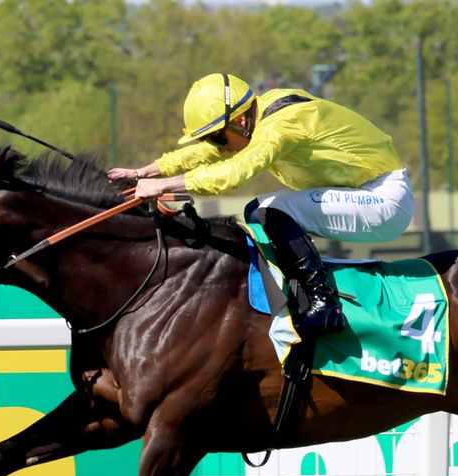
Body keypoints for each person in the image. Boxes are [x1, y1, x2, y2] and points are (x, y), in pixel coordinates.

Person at [108, 73, 413, 334]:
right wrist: (144, 172)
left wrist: (161, 186)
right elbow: (206, 155)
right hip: (364, 191)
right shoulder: (260, 113)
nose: (217, 146)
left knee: (267, 211)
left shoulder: (281, 125)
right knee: (260, 211)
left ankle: (323, 303)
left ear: (240, 120)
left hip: (384, 199)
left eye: (216, 137)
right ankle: (302, 292)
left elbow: (234, 173)